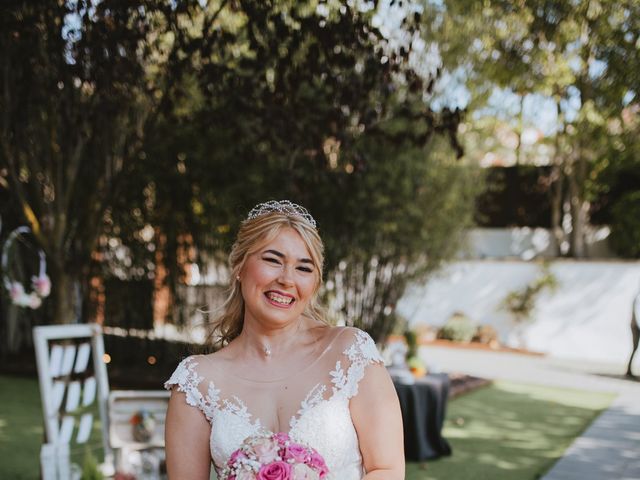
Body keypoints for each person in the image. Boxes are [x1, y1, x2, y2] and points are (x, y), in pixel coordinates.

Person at [164, 200, 404, 479]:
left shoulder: (351, 352)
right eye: (272, 260)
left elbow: (386, 469)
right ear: (239, 266)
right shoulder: (196, 382)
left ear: (315, 282)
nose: (287, 279)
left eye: (304, 268)